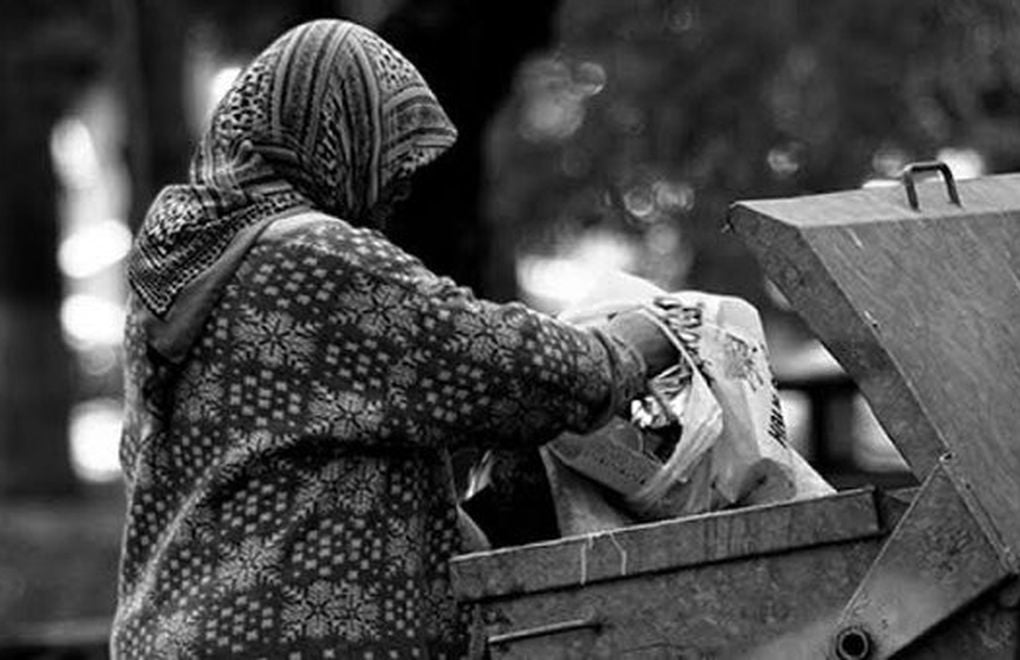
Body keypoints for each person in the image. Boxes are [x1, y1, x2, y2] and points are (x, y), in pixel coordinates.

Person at [112, 19, 677, 659]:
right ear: (335, 137)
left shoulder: (181, 264)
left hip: (176, 630)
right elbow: (501, 365)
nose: (398, 189)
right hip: (292, 636)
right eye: (390, 159)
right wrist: (628, 349)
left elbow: (285, 447)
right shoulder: (314, 256)